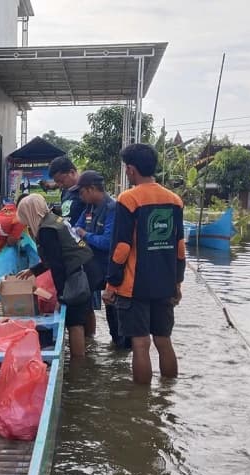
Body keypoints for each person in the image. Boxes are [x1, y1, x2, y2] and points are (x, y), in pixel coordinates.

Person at [102, 143, 185, 384]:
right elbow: (180, 247)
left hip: (133, 286)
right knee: (163, 340)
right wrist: (177, 283)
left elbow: (121, 248)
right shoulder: (174, 200)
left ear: (130, 170)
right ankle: (168, 394)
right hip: (165, 283)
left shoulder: (128, 199)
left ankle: (140, 405)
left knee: (140, 343)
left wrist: (111, 283)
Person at [16, 194, 98, 358]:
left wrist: (61, 298)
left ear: (31, 212)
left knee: (74, 322)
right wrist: (33, 271)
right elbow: (54, 258)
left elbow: (57, 265)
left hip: (77, 272)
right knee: (86, 310)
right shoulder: (53, 219)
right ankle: (91, 346)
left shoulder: (46, 230)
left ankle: (79, 365)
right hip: (89, 267)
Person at [73, 170, 128, 349]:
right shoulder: (89, 208)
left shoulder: (113, 208)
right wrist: (82, 236)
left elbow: (107, 242)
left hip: (111, 270)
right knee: (86, 306)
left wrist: (85, 236)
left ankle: (120, 354)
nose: (80, 196)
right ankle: (93, 343)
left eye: (82, 192)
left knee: (116, 318)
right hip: (92, 267)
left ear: (91, 189)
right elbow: (75, 229)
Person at [39, 155, 85, 224]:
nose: (60, 185)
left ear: (72, 172)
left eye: (62, 181)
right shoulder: (66, 191)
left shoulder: (87, 191)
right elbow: (66, 215)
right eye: (57, 182)